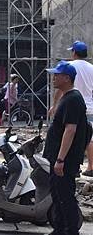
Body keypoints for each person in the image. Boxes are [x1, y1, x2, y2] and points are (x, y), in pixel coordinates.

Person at [43, 60, 88, 235]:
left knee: (65, 196)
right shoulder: (66, 97)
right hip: (58, 157)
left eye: (57, 75)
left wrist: (60, 159)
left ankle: (70, 231)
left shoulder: (73, 99)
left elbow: (70, 130)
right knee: (57, 194)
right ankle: (60, 228)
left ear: (67, 78)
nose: (53, 78)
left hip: (65, 160)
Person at [52, 41, 93, 177]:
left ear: (74, 52)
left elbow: (61, 88)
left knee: (69, 136)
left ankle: (71, 167)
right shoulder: (91, 68)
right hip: (89, 107)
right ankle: (91, 166)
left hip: (71, 105)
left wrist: (55, 105)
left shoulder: (69, 66)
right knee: (88, 138)